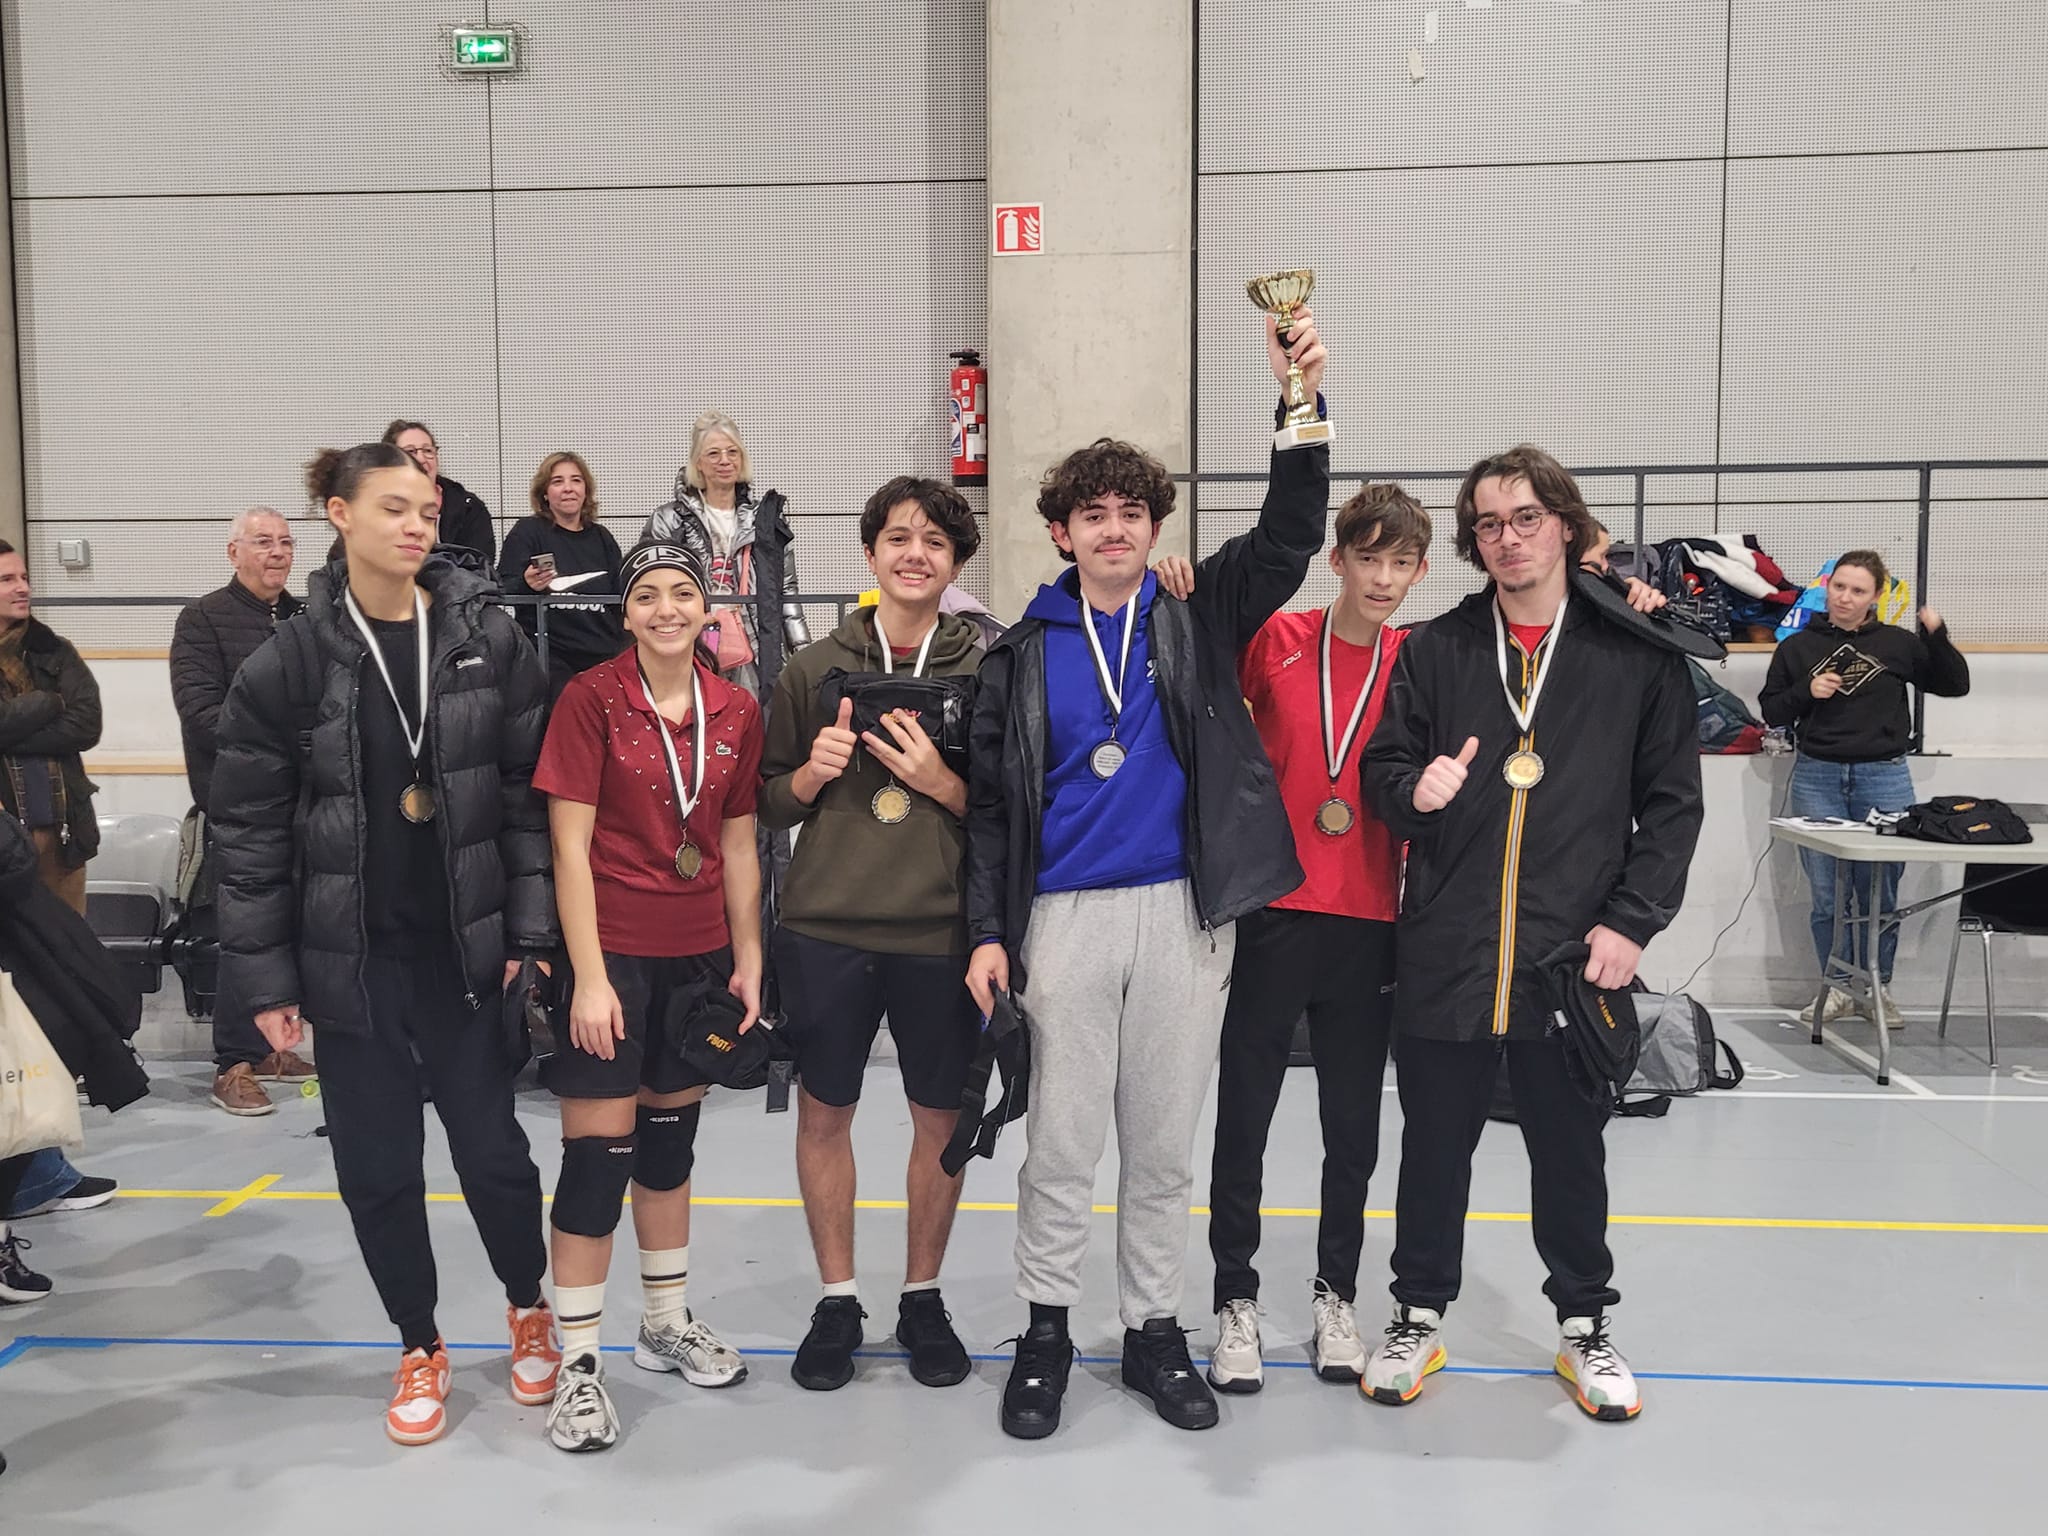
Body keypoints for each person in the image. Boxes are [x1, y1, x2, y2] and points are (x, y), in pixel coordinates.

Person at [965, 310, 1330, 1438]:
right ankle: (1044, 1331)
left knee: (1163, 1143)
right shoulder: (1019, 652)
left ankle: (1152, 1331)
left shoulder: (1194, 614)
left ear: (1155, 527)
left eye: (1132, 512)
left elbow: (1288, 538)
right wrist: (987, 933)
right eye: (1094, 514)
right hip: (1061, 921)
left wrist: (1298, 404)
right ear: (1062, 532)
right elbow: (990, 813)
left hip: (1181, 914)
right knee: (1060, 1145)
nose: (1114, 528)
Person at [210, 442, 561, 1447]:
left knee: (494, 1156)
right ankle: (419, 1342)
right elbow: (248, 832)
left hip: (463, 957)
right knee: (377, 1170)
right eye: (394, 507)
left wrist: (527, 931)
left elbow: (524, 801)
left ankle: (528, 1303)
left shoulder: (487, 638)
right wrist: (266, 980)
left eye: (427, 510)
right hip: (350, 967)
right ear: (339, 514)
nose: (416, 526)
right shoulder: (289, 662)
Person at [1358, 443, 1704, 1423]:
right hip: (1448, 945)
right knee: (1433, 1148)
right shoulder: (1435, 649)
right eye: (1486, 524)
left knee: (1570, 1152)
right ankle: (1417, 1313)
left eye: (1523, 518)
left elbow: (1671, 806)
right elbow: (1384, 770)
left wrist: (1630, 923)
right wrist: (1412, 791)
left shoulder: (1635, 655)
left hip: (1569, 957)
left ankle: (1584, 1324)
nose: (1505, 538)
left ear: (1564, 525)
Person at [1194, 482, 1430, 1393]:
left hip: (1371, 921)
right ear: (1336, 560)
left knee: (1352, 1129)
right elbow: (1198, 651)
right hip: (1273, 914)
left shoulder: (1420, 662)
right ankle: (1235, 1299)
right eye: (1368, 558)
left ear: (1418, 572)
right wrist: (1181, 576)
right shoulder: (1278, 640)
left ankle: (1338, 1296)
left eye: (1401, 562)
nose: (1383, 578)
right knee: (1245, 1117)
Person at [530, 539, 761, 1452]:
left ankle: (664, 1322)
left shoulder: (736, 707)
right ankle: (580, 1364)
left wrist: (748, 959)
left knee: (668, 1150)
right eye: (648, 596)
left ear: (707, 608)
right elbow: (568, 848)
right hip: (614, 961)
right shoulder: (591, 700)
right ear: (625, 613)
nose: (667, 609)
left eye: (683, 593)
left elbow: (737, 845)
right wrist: (587, 976)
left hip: (697, 961)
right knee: (597, 1162)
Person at [758, 477, 986, 1394]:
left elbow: (1010, 808)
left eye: (935, 541)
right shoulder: (812, 669)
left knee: (940, 1118)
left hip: (941, 928)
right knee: (825, 1114)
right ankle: (838, 1298)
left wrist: (943, 785)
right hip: (825, 926)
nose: (915, 554)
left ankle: (922, 1295)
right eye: (898, 537)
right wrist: (808, 779)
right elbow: (765, 800)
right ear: (870, 553)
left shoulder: (988, 667)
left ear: (956, 563)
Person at [1758, 550, 1969, 1027]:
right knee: (1827, 895)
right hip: (1817, 776)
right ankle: (1835, 988)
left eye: (1858, 591)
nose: (1845, 598)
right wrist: (1806, 692)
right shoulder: (1796, 647)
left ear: (1875, 597)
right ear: (1826, 587)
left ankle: (1876, 987)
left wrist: (1936, 635)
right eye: (1839, 587)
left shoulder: (1897, 644)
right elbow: (1771, 710)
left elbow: (1955, 684)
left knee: (1880, 892)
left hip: (1884, 776)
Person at [169, 507, 315, 1115]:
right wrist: (287, 742)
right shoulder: (202, 619)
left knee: (297, 928)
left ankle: (271, 1048)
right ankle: (232, 1062)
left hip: (306, 800)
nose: (277, 552)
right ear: (234, 553)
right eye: (262, 542)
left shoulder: (309, 619)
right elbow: (201, 712)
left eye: (285, 542)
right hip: (239, 806)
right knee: (245, 935)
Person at [640, 410, 808, 702]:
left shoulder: (765, 519)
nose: (725, 461)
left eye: (732, 452)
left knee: (752, 718)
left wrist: (802, 649)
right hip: (688, 639)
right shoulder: (668, 519)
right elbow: (648, 586)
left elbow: (786, 588)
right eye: (713, 453)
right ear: (698, 462)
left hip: (754, 643)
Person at [0, 540, 101, 915]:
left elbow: (86, 725)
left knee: (67, 944)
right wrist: (49, 702)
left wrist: (10, 736)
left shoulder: (55, 650)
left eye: (24, 577)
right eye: (7, 579)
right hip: (5, 829)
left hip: (61, 832)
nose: (22, 588)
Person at [498, 451, 626, 698]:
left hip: (602, 653)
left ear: (586, 490)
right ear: (545, 493)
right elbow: (503, 588)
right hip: (550, 656)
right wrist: (527, 584)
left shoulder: (602, 538)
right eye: (558, 481)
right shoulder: (528, 531)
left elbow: (619, 598)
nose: (568, 488)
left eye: (576, 480)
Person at [385, 419, 497, 565]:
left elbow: (480, 565)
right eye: (410, 452)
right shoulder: (377, 506)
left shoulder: (468, 507)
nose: (421, 459)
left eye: (428, 450)